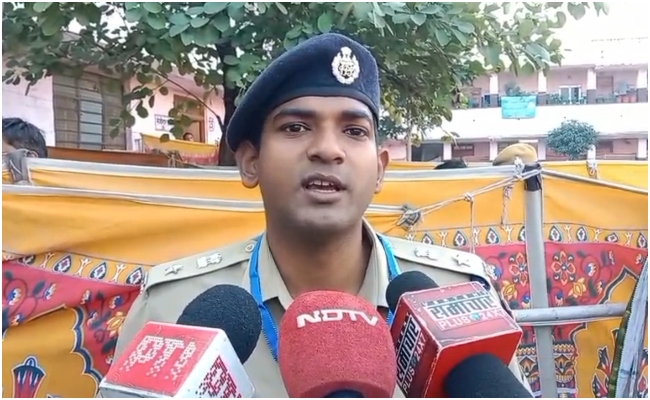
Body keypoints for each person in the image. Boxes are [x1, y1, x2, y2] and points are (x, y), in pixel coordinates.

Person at [110, 33, 532, 397]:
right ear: (251, 162)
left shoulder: (460, 298)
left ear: (380, 169)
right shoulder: (173, 310)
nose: (328, 150)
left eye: (354, 131)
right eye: (296, 127)